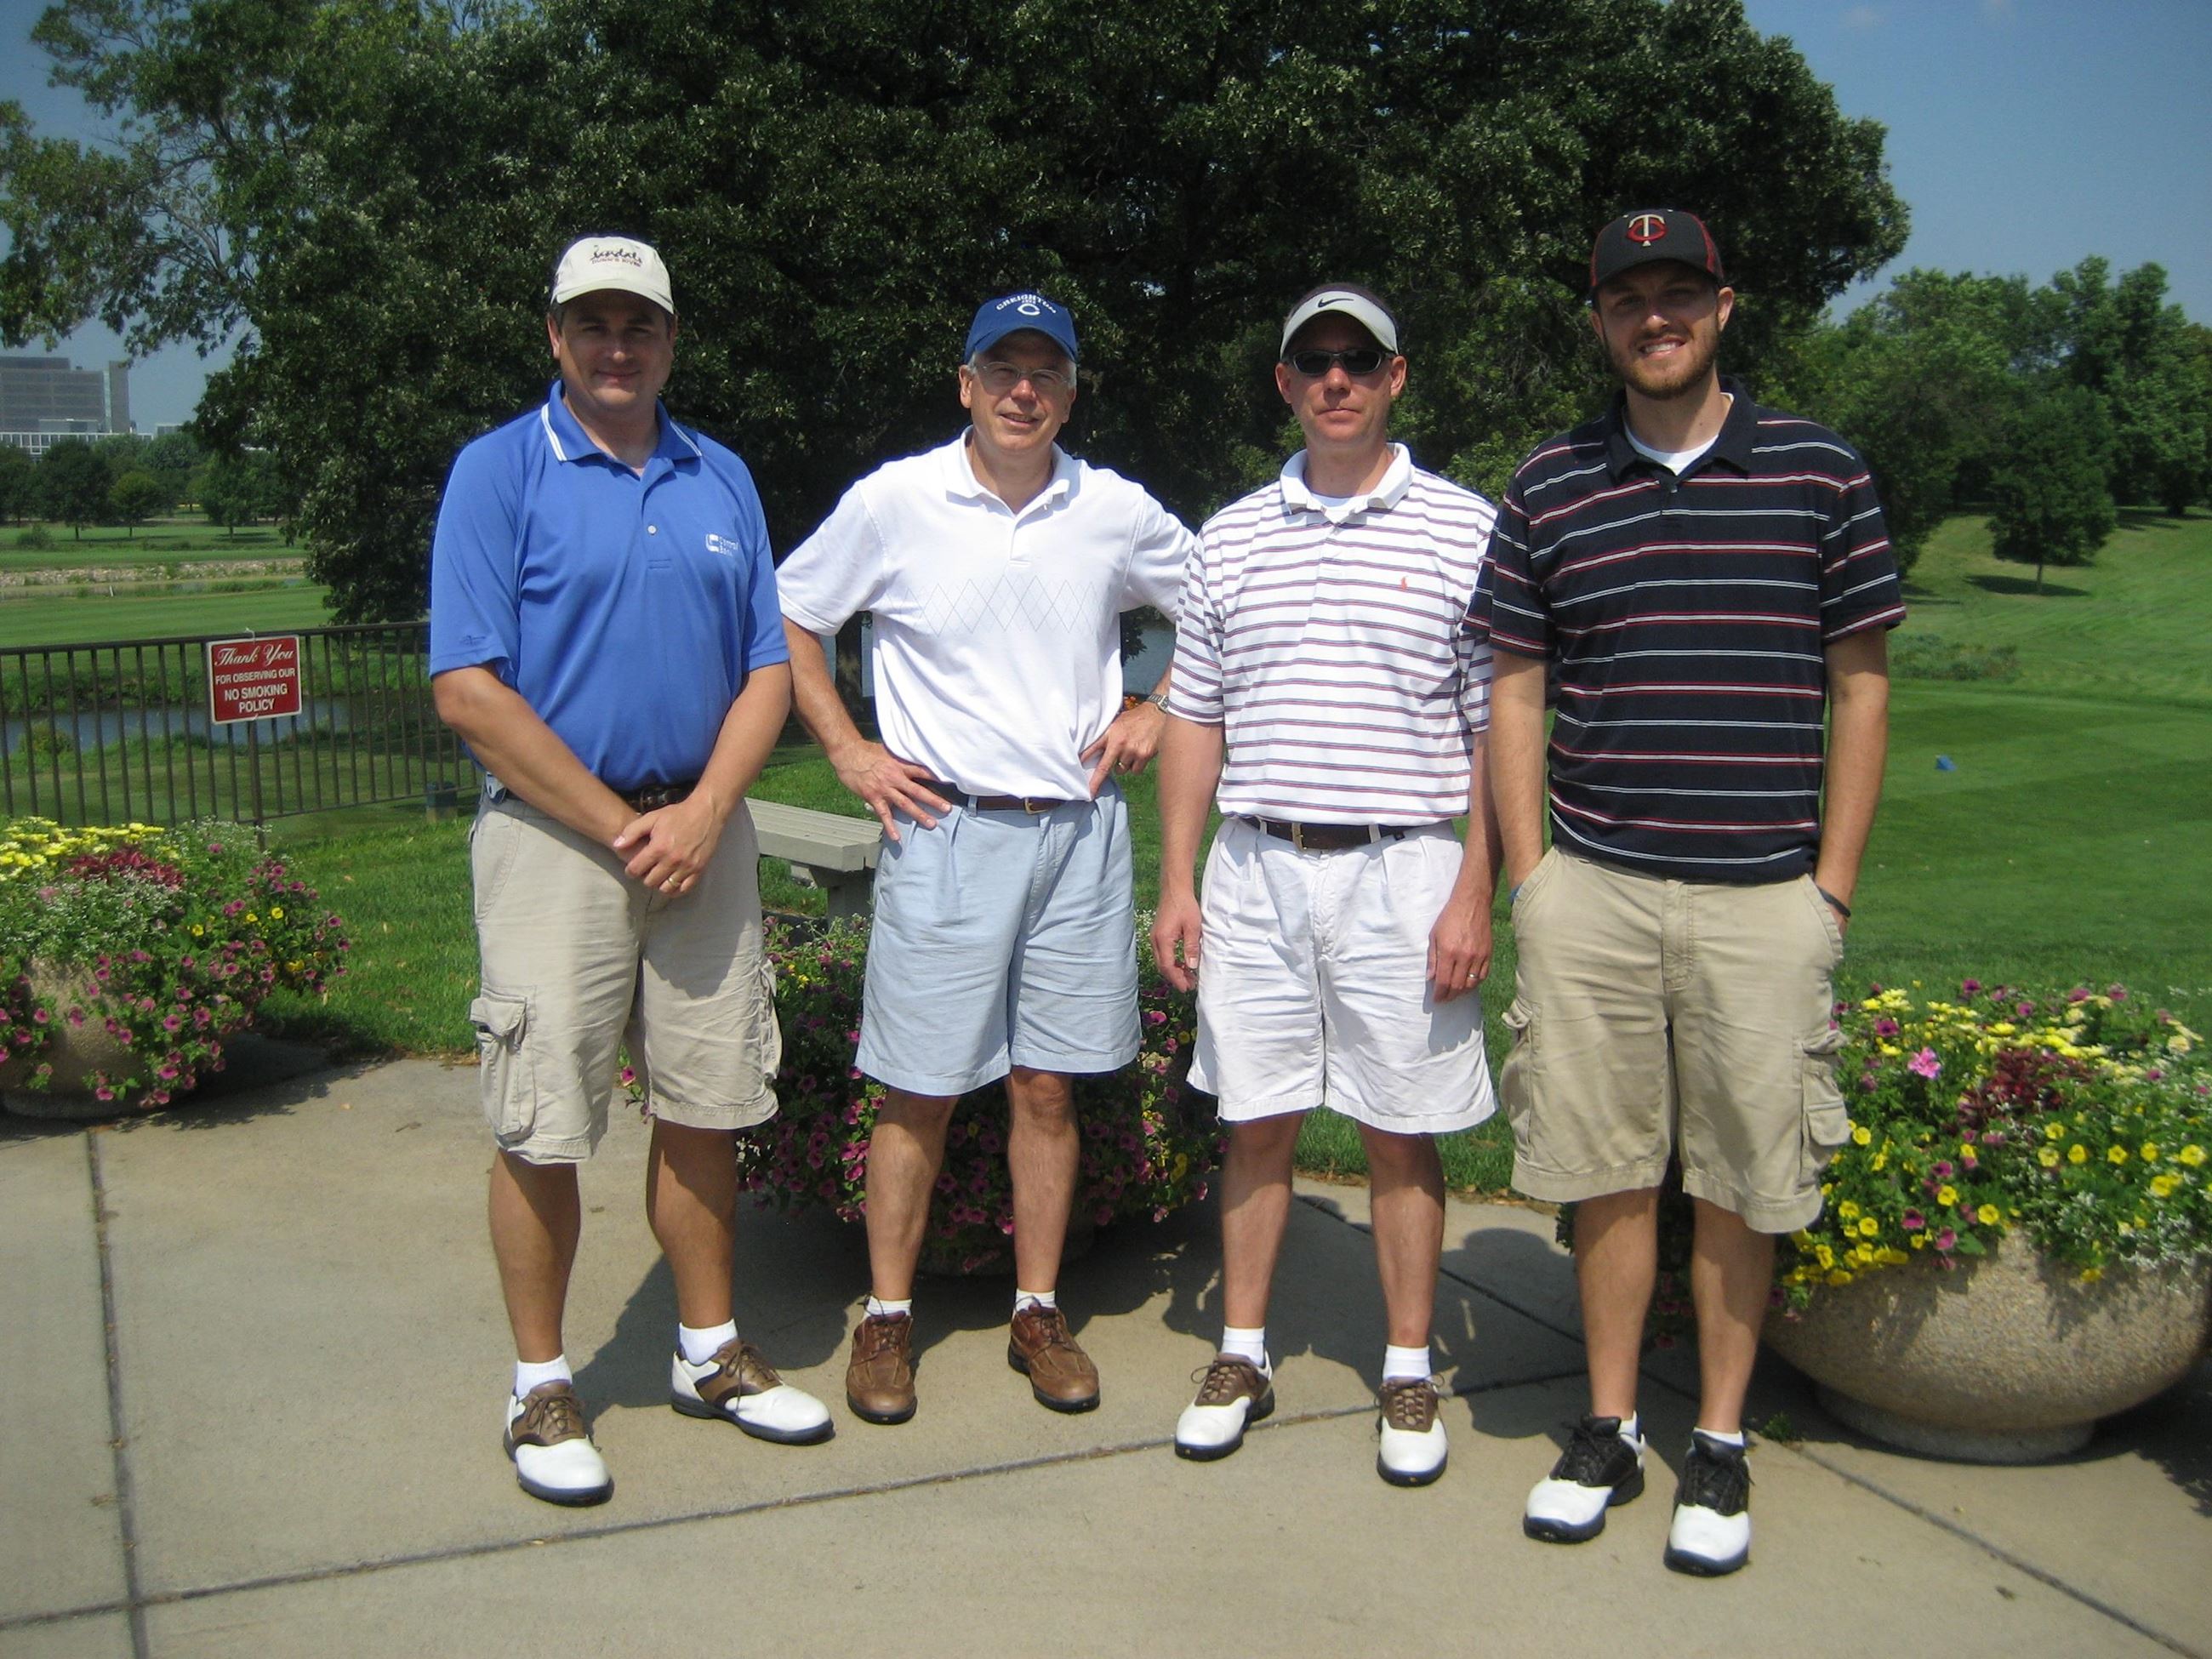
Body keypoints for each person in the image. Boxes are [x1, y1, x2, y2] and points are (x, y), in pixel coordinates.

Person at [1472, 209, 1903, 1574]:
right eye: (1627, 298)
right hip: (1592, 884)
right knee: (1604, 1177)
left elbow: (1864, 686)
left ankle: (1718, 1438)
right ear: (1599, 321)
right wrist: (1532, 876)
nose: (1653, 316)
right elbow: (1517, 686)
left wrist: (1829, 889)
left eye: (1679, 293)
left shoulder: (1823, 472)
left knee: (1738, 1176)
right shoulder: (1550, 483)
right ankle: (1608, 1425)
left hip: (1763, 888)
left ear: (1724, 306)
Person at [430, 234, 830, 1507]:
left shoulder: (723, 476)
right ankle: (542, 1382)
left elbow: (769, 664)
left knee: (711, 1103)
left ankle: (706, 1349)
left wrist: (709, 808)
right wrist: (623, 824)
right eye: (593, 323)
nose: (618, 346)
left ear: (669, 338)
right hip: (559, 843)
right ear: (555, 335)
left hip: (702, 838)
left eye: (639, 325)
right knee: (544, 1117)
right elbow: (467, 691)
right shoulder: (500, 473)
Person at [776, 291, 1195, 1426]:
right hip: (943, 827)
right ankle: (889, 1318)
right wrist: (850, 748)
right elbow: (796, 611)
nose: (1024, 390)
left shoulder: (1109, 509)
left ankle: (1037, 1309)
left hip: (1076, 832)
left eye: (1044, 371)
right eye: (1001, 368)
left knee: (1047, 1085)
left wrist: (1157, 706)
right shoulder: (898, 501)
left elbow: (1216, 601)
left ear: (1070, 390)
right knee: (916, 1089)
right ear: (964, 383)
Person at [1152, 284, 1502, 1488]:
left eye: (1360, 359)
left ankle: (1407, 1365)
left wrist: (1476, 890)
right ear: (1286, 384)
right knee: (1255, 1117)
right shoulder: (1230, 536)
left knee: (1401, 1131)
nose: (1337, 379)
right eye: (1315, 361)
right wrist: (1177, 880)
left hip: (1404, 868)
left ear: (1397, 377)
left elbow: (1493, 737)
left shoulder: (1465, 528)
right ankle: (1240, 1350)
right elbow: (1194, 715)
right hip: (1255, 864)